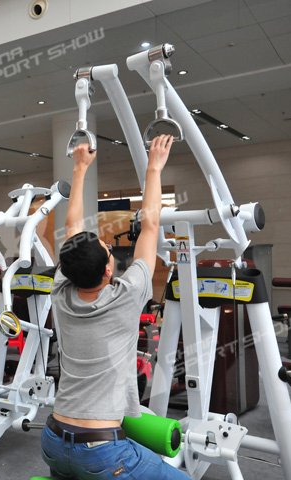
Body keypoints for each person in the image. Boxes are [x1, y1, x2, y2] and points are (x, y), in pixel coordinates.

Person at [41, 136, 188, 479]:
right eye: (108, 249)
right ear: (108, 270)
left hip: (52, 441)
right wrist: (154, 168)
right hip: (101, 452)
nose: (108, 245)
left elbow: (73, 229)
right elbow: (150, 225)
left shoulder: (60, 291)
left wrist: (80, 169)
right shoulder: (127, 294)